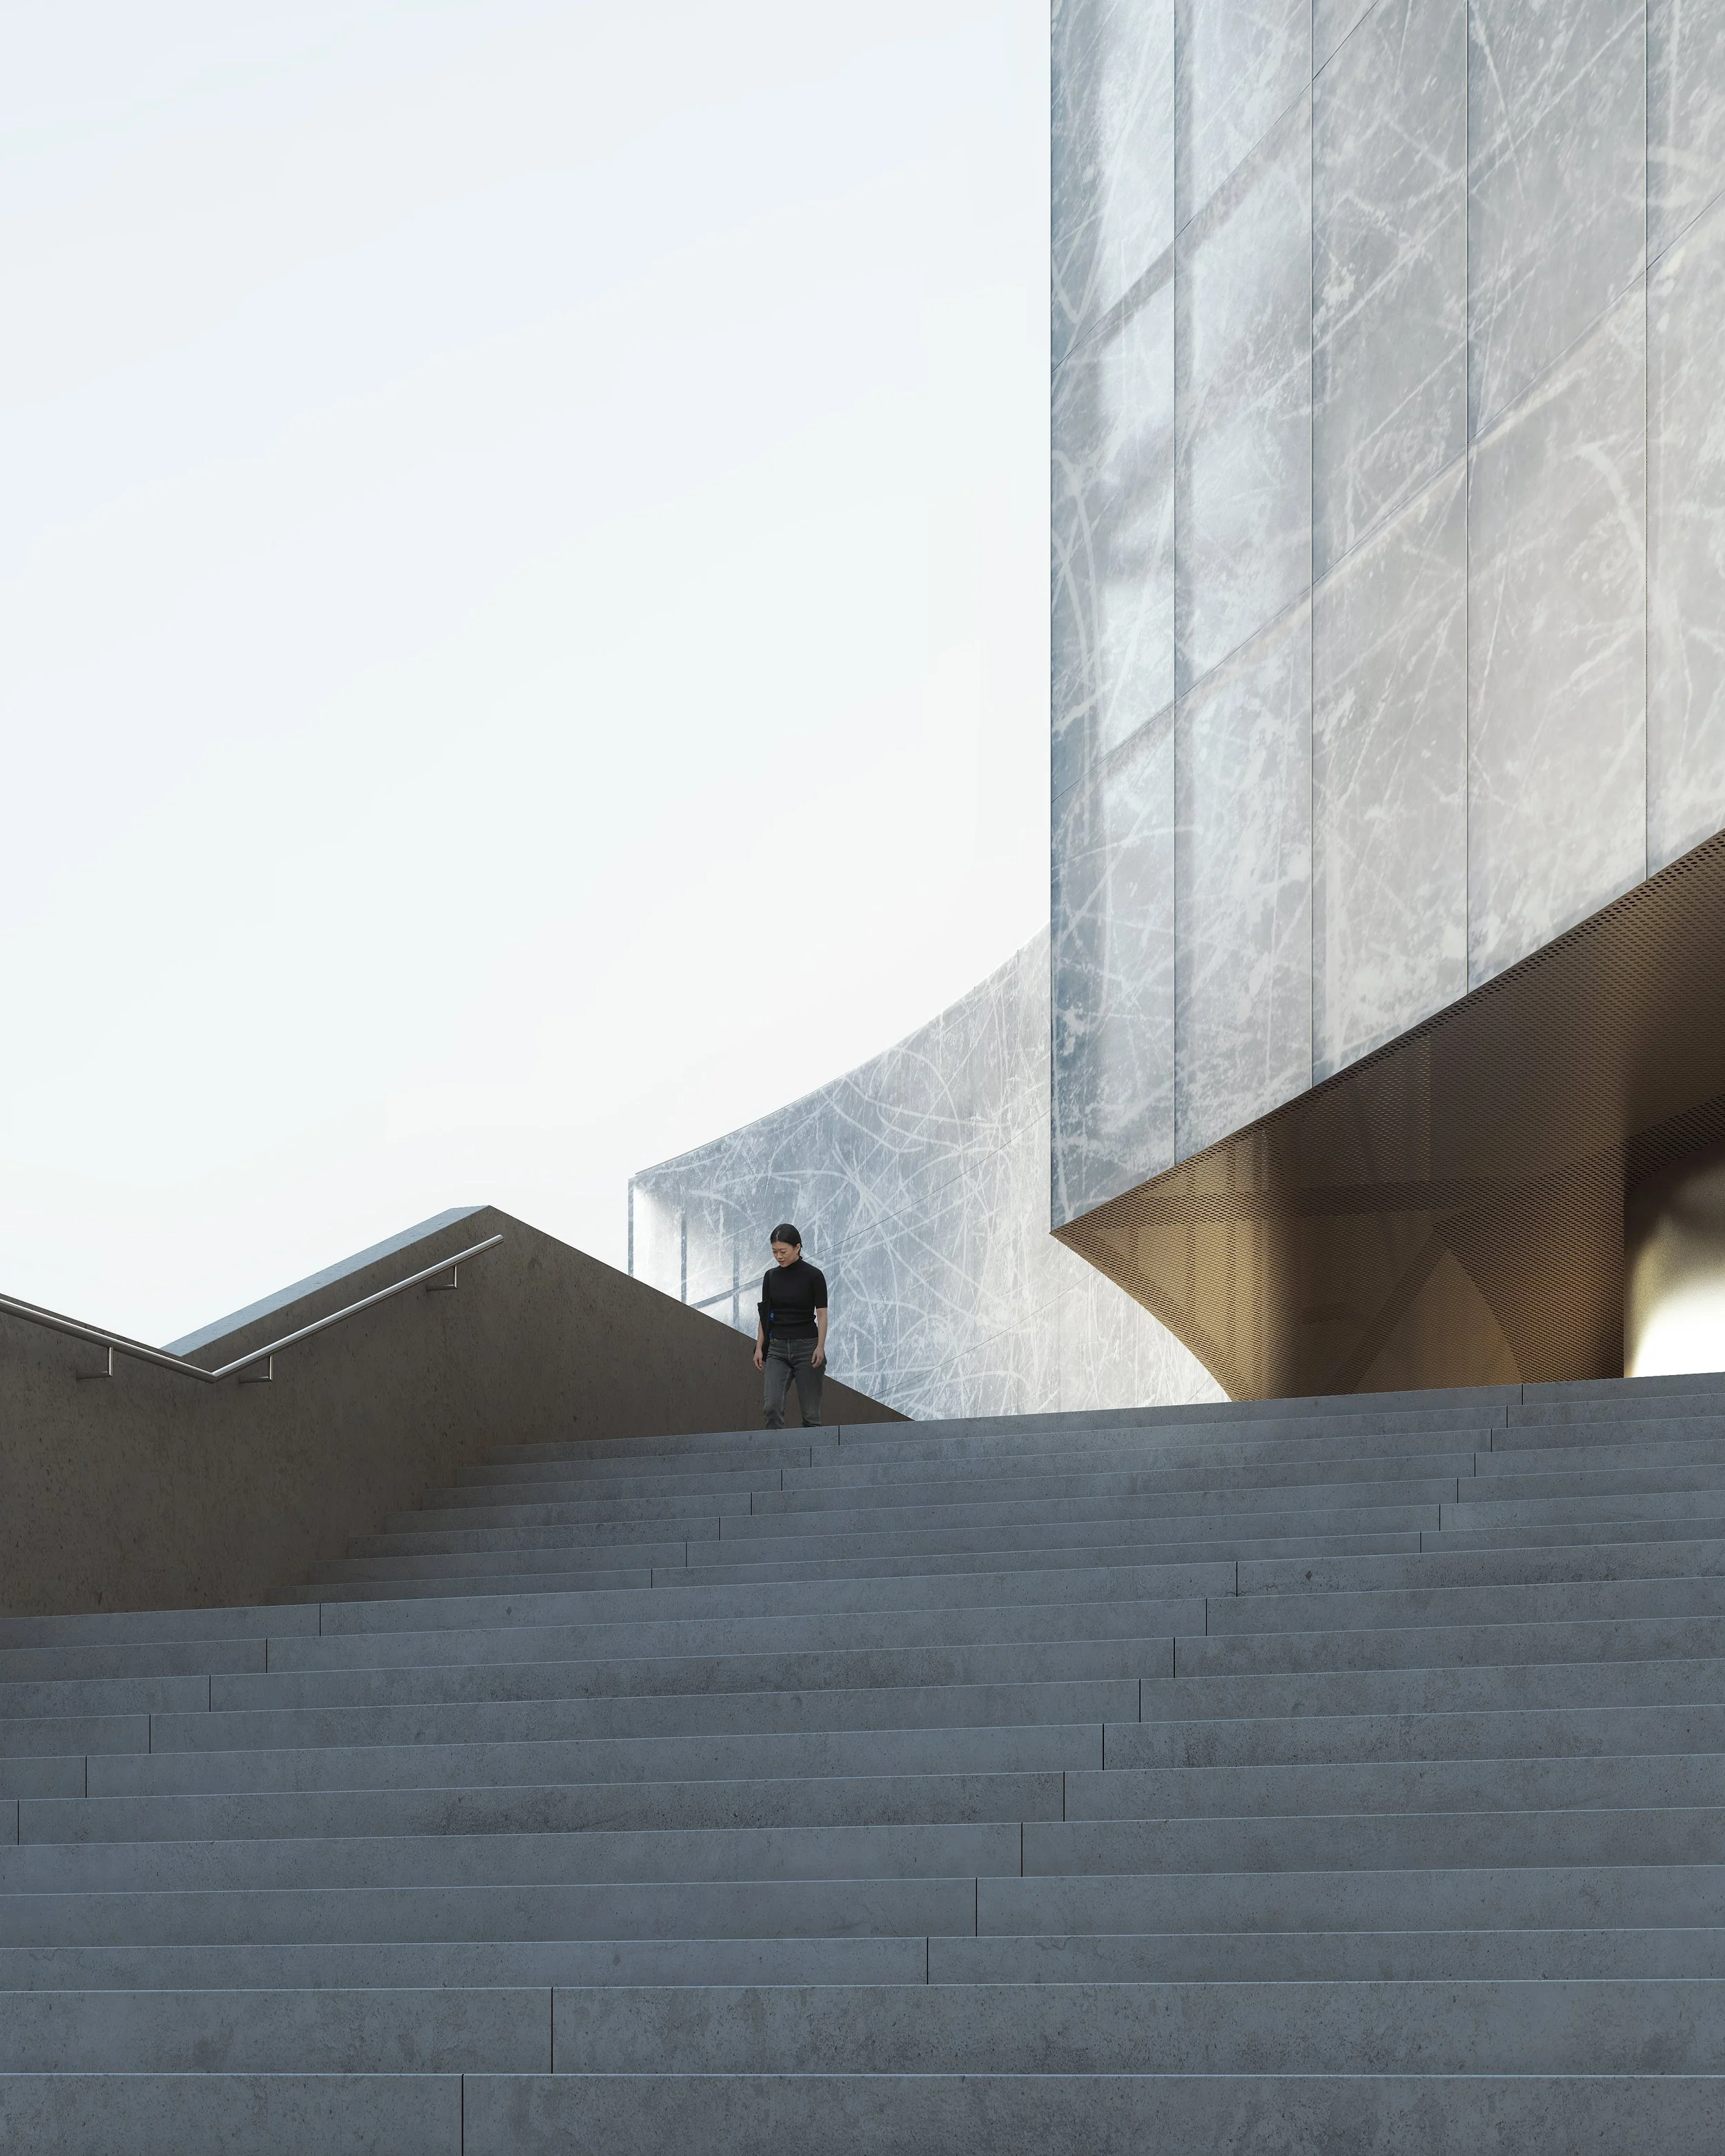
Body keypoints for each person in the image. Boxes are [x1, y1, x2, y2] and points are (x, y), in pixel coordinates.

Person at [754, 1223, 828, 1429]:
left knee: (811, 1416)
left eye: (783, 1251)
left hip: (808, 1347)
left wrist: (820, 1347)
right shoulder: (770, 1277)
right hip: (777, 1348)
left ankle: (812, 1460)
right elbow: (766, 1314)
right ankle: (778, 1457)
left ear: (797, 1247)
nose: (779, 1256)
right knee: (771, 1408)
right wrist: (759, 1347)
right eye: (774, 1251)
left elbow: (822, 1315)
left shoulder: (814, 1276)